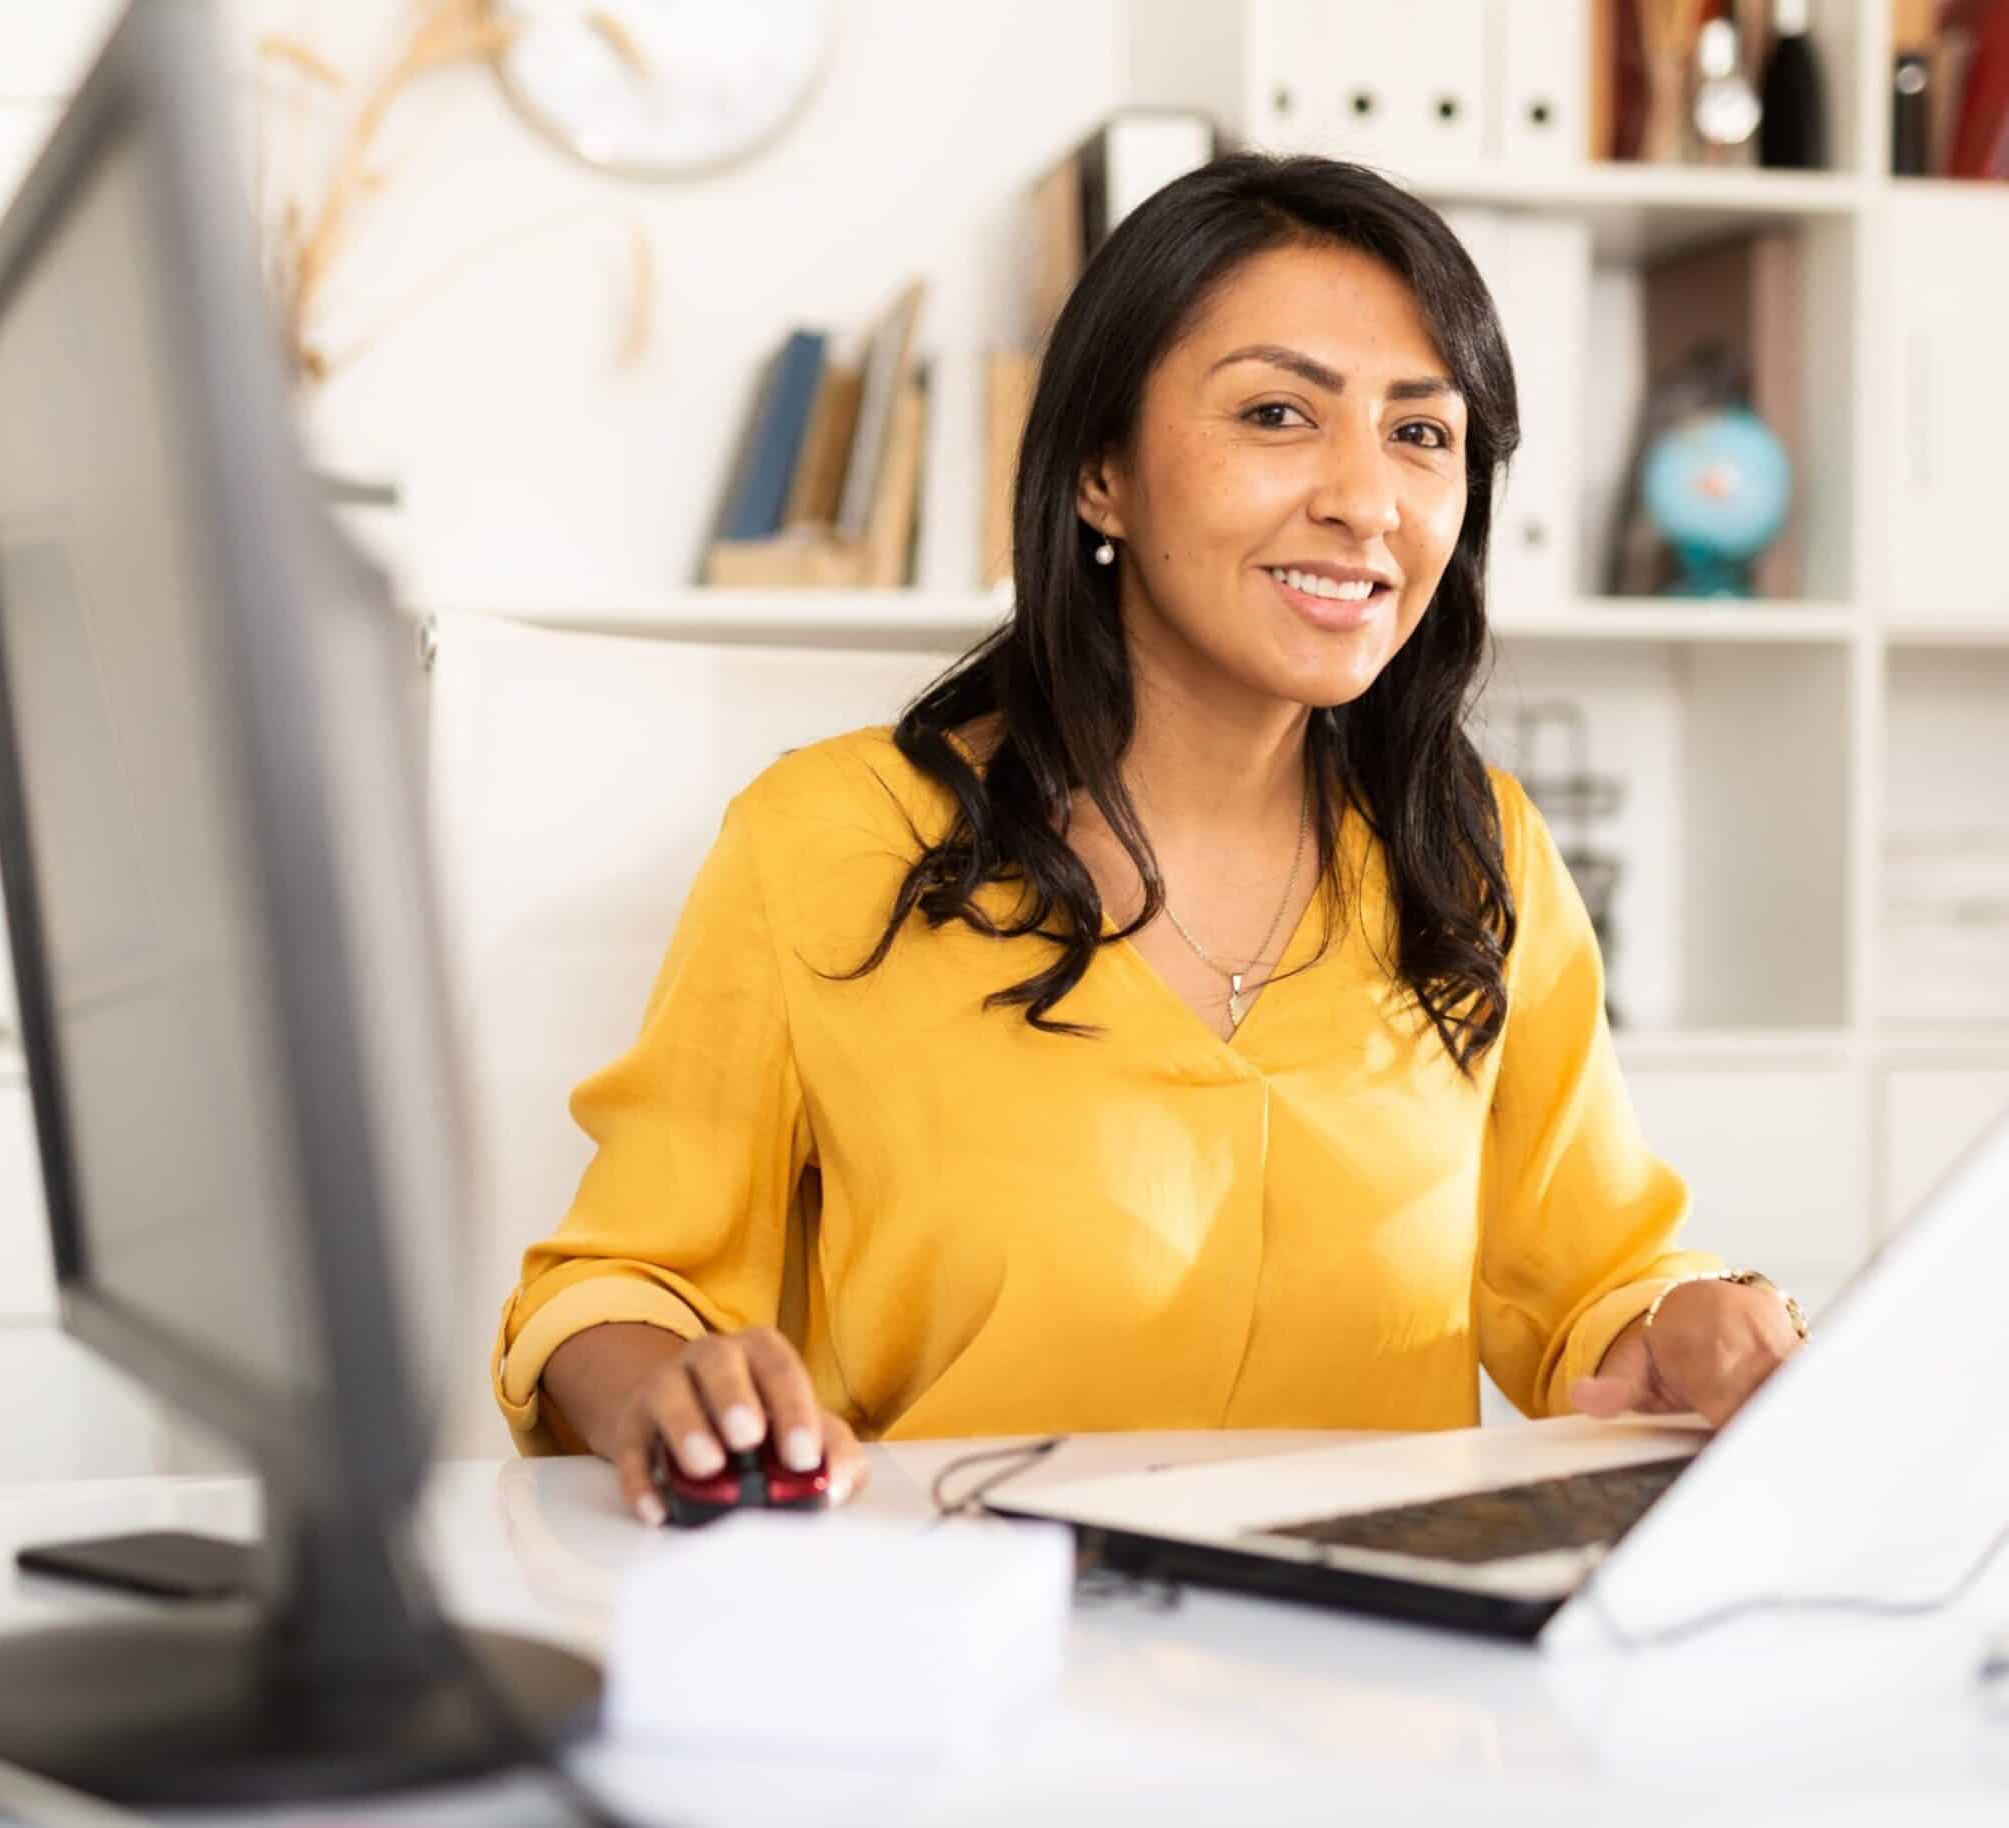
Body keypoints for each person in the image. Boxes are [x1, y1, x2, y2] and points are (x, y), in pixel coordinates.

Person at [491, 153, 1807, 1525]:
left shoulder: (1476, 855)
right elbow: (614, 1286)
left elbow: (1592, 1286)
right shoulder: (830, 841)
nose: (1368, 500)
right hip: (965, 1651)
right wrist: (666, 1392)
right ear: (1102, 473)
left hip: (1371, 1681)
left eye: (1422, 434)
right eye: (1281, 413)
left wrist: (1690, 1325)